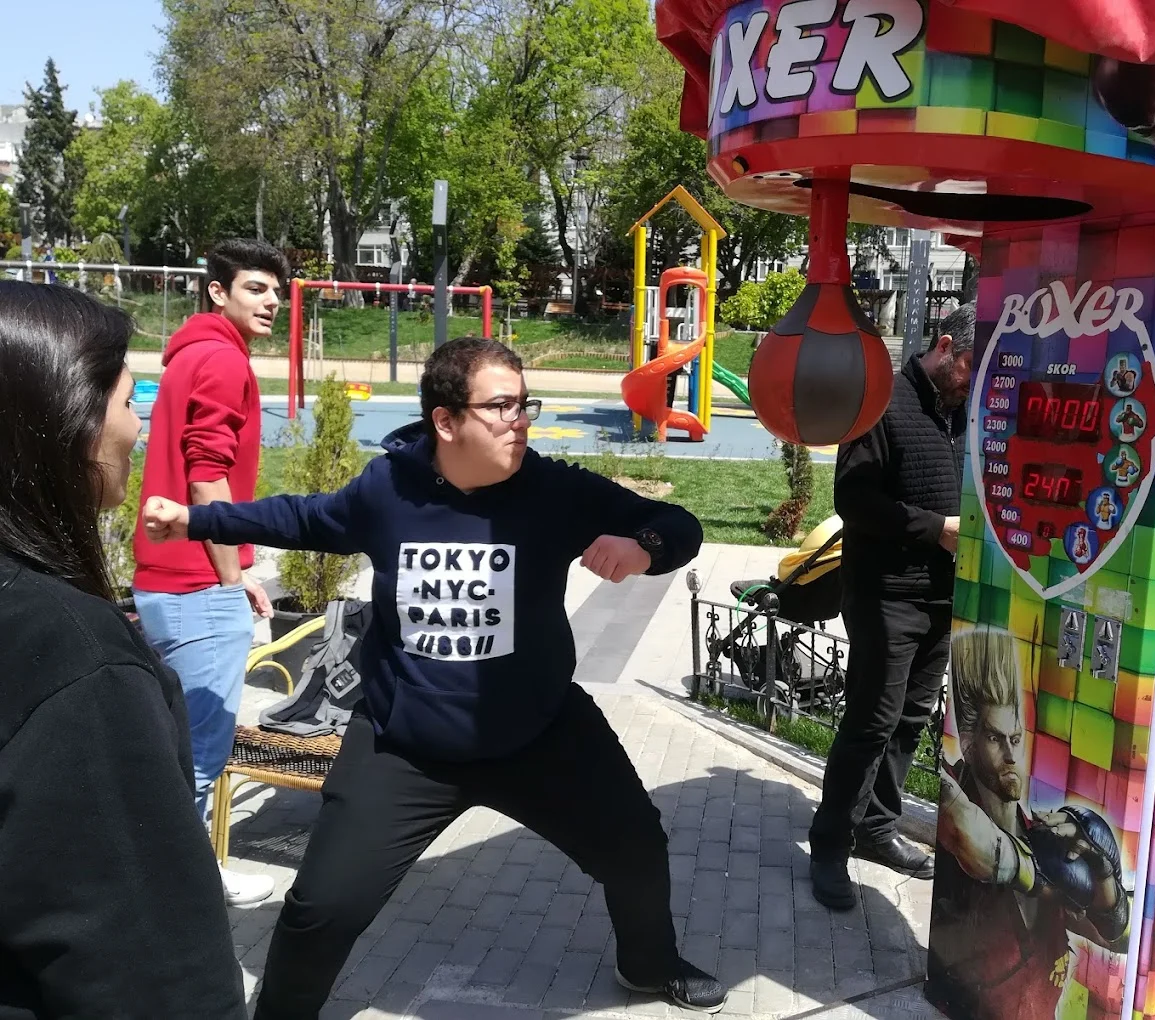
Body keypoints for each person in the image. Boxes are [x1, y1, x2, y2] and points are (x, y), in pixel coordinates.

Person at [143, 337, 729, 1017]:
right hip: (404, 744)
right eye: (501, 407)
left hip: (537, 731)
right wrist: (195, 519)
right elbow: (304, 517)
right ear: (445, 421)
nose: (520, 421)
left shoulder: (553, 491)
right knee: (322, 905)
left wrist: (643, 547)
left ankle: (648, 963)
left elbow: (675, 522)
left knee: (638, 849)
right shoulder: (387, 489)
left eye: (524, 404)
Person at [0, 281, 246, 1016]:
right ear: (67, 418)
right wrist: (232, 579)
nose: (139, 425)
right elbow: (159, 979)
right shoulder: (77, 662)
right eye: (130, 400)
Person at [132, 238, 290, 907]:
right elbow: (206, 479)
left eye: (277, 292)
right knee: (199, 759)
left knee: (177, 752)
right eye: (256, 288)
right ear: (217, 291)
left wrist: (239, 571)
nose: (272, 301)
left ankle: (184, 882)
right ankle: (178, 900)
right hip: (197, 587)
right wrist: (230, 580)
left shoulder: (189, 354)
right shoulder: (223, 360)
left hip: (166, 580)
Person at [807, 302, 975, 910]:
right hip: (886, 594)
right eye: (971, 365)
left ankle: (876, 829)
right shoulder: (880, 402)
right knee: (871, 721)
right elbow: (853, 499)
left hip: (943, 596)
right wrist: (936, 529)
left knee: (909, 718)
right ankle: (829, 845)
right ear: (945, 345)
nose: (975, 381)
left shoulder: (967, 411)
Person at [929, 628, 1130, 1020]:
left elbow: (1119, 937)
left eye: (1016, 739)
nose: (1010, 754)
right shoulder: (955, 798)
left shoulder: (1046, 839)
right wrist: (1043, 879)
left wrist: (1102, 873)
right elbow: (973, 840)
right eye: (995, 738)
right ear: (968, 743)